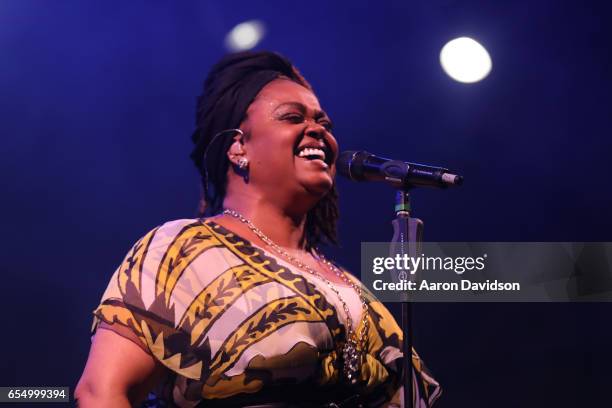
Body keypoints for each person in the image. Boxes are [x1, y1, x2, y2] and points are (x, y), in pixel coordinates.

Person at [76, 51, 441, 407]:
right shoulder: (185, 251)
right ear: (238, 147)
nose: (317, 130)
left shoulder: (351, 286)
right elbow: (101, 393)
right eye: (292, 117)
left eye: (324, 124)